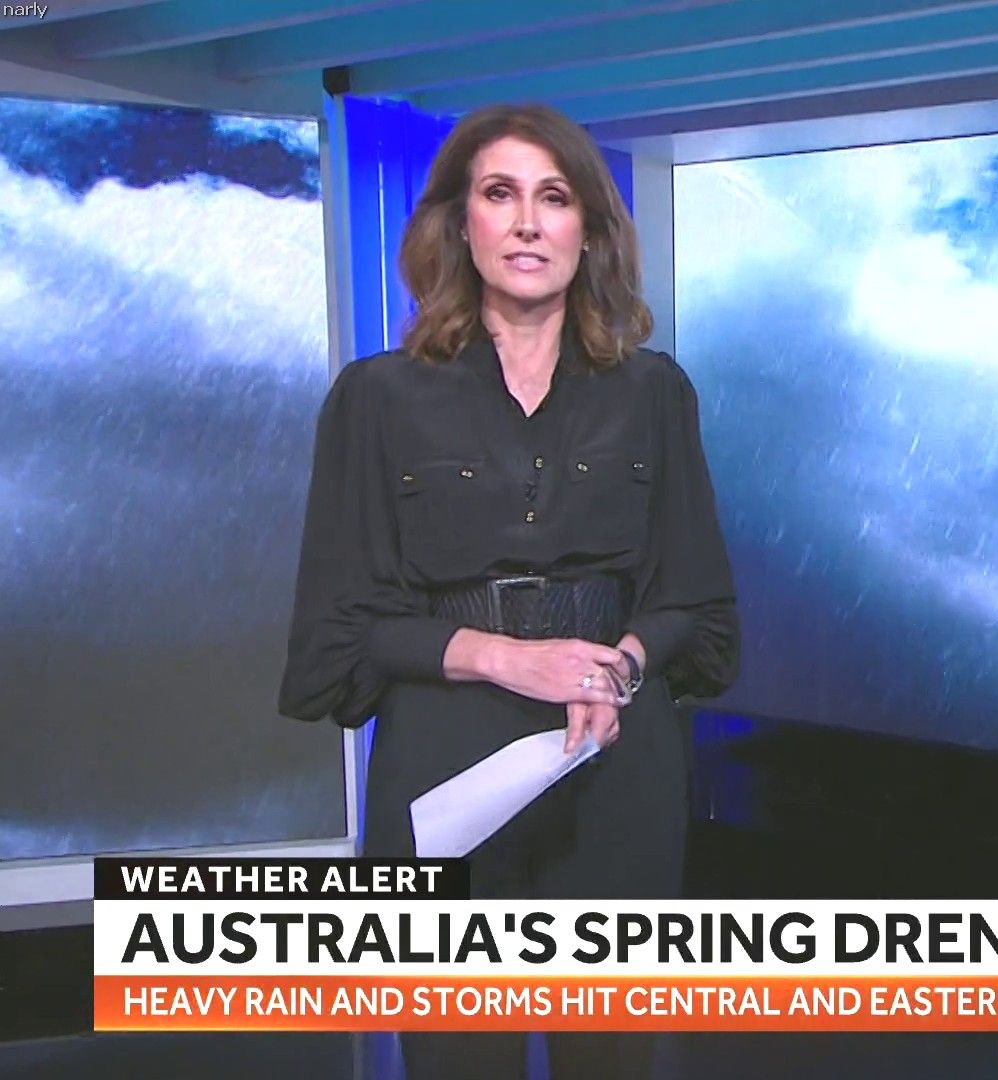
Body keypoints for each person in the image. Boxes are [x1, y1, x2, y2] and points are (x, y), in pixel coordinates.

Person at [277, 102, 739, 1079]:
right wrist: (504, 658)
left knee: (614, 1057)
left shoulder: (654, 392)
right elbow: (339, 630)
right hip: (445, 761)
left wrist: (617, 667)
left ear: (590, 229)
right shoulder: (377, 397)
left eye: (554, 197)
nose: (528, 223)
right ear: (461, 223)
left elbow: (694, 600)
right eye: (500, 194)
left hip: (613, 751)